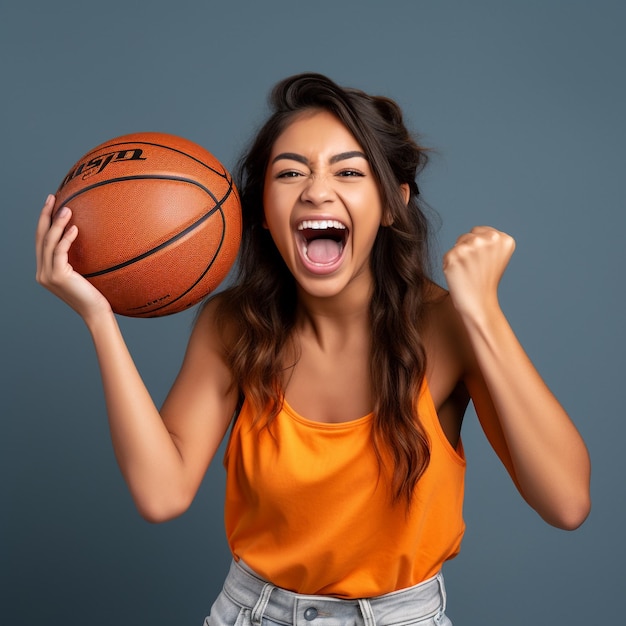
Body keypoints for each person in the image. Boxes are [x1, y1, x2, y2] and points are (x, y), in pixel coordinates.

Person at [36, 73, 591, 625]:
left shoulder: (448, 327)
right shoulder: (233, 325)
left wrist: (482, 312)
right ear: (260, 210)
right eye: (290, 172)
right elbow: (162, 494)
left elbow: (566, 504)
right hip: (251, 614)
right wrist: (98, 315)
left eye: (349, 171)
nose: (317, 190)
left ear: (393, 203)